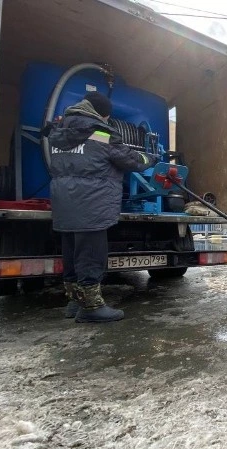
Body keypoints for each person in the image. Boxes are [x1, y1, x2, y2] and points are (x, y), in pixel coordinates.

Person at [47, 92, 159, 323]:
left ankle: (74, 302)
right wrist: (151, 159)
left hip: (64, 203)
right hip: (92, 203)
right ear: (102, 113)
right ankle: (91, 308)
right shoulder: (100, 134)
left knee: (71, 253)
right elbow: (132, 161)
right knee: (90, 255)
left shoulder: (58, 133)